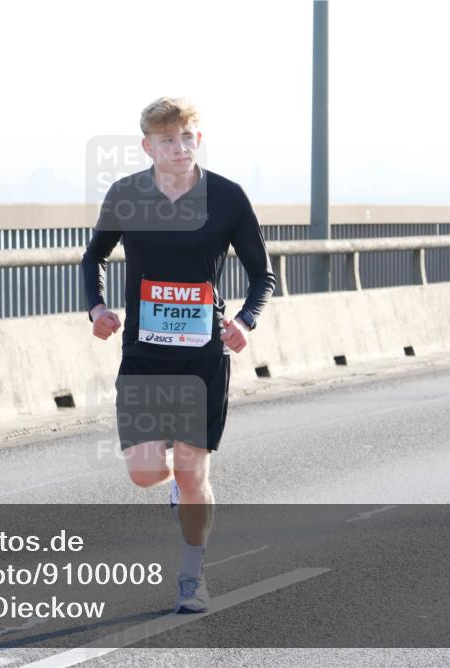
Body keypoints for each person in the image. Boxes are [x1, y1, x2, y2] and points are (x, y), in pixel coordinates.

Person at [81, 97, 276, 613]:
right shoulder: (126, 194)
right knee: (146, 473)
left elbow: (262, 275)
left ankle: (192, 575)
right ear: (148, 146)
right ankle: (176, 488)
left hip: (203, 356)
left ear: (199, 138)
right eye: (168, 139)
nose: (180, 147)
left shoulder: (228, 198)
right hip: (145, 355)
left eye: (188, 136)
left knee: (193, 473)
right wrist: (96, 307)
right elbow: (93, 256)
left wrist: (244, 321)